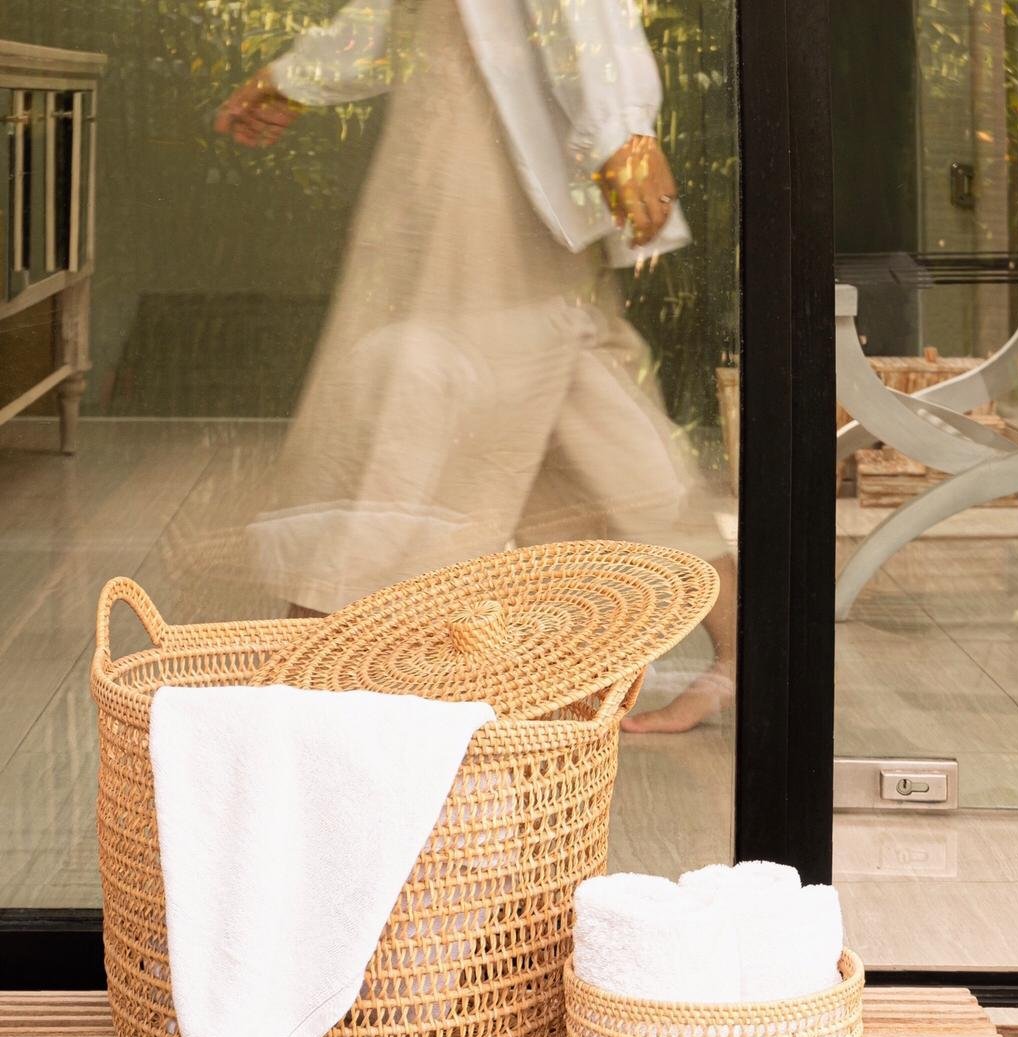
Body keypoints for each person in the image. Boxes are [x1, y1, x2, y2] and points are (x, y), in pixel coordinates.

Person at [216, 0, 735, 733]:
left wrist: (623, 128)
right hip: (458, 155)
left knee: (411, 402)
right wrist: (298, 74)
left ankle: (320, 673)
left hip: (483, 172)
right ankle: (734, 651)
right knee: (590, 415)